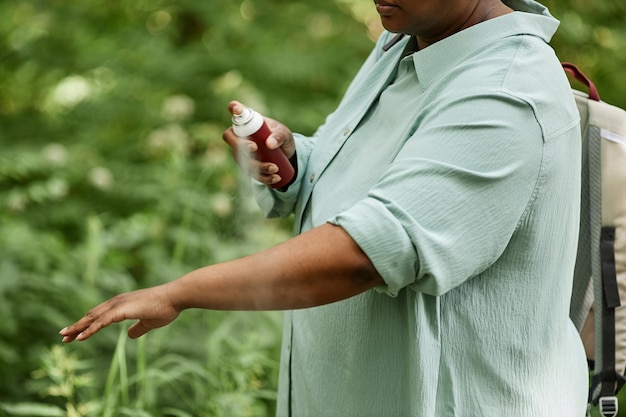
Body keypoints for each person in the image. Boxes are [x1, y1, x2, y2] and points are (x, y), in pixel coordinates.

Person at [60, 0, 589, 415]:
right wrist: (299, 158)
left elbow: (365, 254)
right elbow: (384, 177)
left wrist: (180, 292)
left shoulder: (506, 92)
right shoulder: (404, 38)